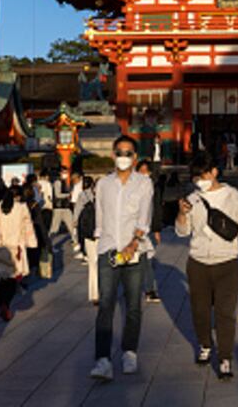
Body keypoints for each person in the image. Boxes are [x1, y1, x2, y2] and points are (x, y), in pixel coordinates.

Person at [175, 152, 238, 380]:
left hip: (227, 261)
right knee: (199, 310)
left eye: (204, 175)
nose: (200, 180)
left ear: (214, 172)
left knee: (225, 313)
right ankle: (205, 345)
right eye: (196, 177)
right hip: (198, 262)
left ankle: (225, 357)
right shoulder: (193, 198)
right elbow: (183, 231)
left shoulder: (233, 196)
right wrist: (181, 214)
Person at [89, 135, 155, 382]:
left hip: (134, 251)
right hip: (108, 249)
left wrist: (134, 242)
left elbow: (144, 217)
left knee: (133, 305)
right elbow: (100, 215)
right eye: (119, 152)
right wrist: (98, 244)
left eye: (128, 153)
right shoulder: (104, 184)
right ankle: (102, 359)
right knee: (105, 303)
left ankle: (129, 351)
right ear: (113, 154)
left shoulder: (144, 184)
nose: (123, 157)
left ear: (135, 157)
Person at [0, 186, 37, 321]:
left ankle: (2, 304)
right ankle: (6, 304)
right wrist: (32, 243)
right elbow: (27, 226)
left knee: (1, 281)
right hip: (15, 249)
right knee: (12, 280)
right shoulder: (21, 208)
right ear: (18, 196)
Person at [136, 160, 163, 304]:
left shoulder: (153, 188)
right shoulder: (131, 187)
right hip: (133, 229)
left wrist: (157, 229)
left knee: (148, 261)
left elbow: (156, 209)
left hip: (148, 229)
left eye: (146, 171)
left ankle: (149, 290)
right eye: (141, 170)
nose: (143, 173)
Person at [74, 176, 98, 301]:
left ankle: (94, 294)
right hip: (102, 237)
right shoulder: (108, 201)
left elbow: (78, 210)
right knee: (102, 266)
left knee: (92, 266)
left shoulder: (83, 195)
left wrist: (75, 221)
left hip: (89, 235)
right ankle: (102, 292)